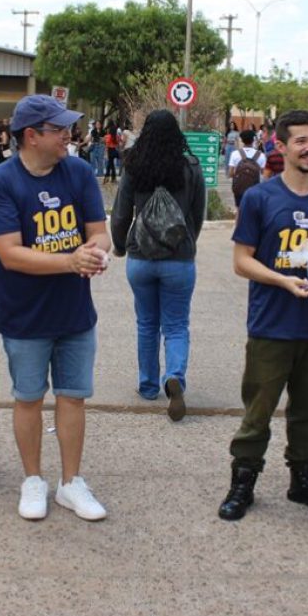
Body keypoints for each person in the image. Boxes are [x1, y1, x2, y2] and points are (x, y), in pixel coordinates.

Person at [217, 109, 308, 522]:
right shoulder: (261, 198)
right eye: (301, 141)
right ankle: (242, 481)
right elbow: (242, 261)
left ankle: (304, 480)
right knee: (258, 410)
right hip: (271, 324)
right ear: (280, 147)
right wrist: (284, 281)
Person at [0, 95, 112, 522]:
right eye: (58, 130)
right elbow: (10, 254)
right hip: (25, 315)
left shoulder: (78, 171)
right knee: (28, 398)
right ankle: (33, 479)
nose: (68, 137)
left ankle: (71, 483)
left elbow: (100, 232)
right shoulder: (0, 182)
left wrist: (95, 253)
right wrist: (70, 261)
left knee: (73, 397)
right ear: (32, 136)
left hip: (75, 312)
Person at [110, 110, 207, 420]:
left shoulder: (134, 166)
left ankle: (148, 384)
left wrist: (121, 245)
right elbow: (198, 212)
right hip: (178, 259)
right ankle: (174, 377)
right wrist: (189, 242)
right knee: (176, 325)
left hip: (141, 257)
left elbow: (121, 212)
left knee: (146, 323)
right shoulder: (190, 166)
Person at [228, 129, 266, 207]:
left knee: (239, 210)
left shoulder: (235, 154)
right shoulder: (261, 155)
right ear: (253, 140)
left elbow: (230, 173)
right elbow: (264, 174)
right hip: (256, 189)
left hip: (239, 189)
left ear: (241, 140)